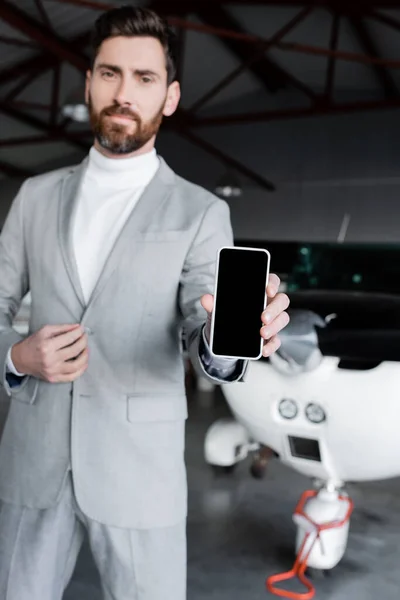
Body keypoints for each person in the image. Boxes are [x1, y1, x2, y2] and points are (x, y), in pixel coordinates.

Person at [0, 6, 290, 600]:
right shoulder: (33, 197)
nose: (124, 93)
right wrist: (16, 356)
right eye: (110, 74)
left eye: (145, 78)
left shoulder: (200, 211)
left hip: (140, 474)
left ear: (172, 95)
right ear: (88, 83)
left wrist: (227, 340)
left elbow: (199, 326)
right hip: (33, 464)